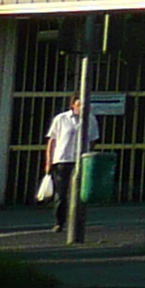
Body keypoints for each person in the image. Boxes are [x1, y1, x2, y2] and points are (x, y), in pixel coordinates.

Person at [43, 95, 87, 232]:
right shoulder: (61, 119)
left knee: (79, 193)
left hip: (81, 160)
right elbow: (52, 140)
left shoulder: (89, 120)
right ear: (72, 106)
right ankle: (59, 222)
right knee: (61, 194)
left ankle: (77, 222)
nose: (81, 108)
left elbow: (92, 140)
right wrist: (49, 161)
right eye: (79, 104)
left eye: (83, 105)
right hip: (62, 160)